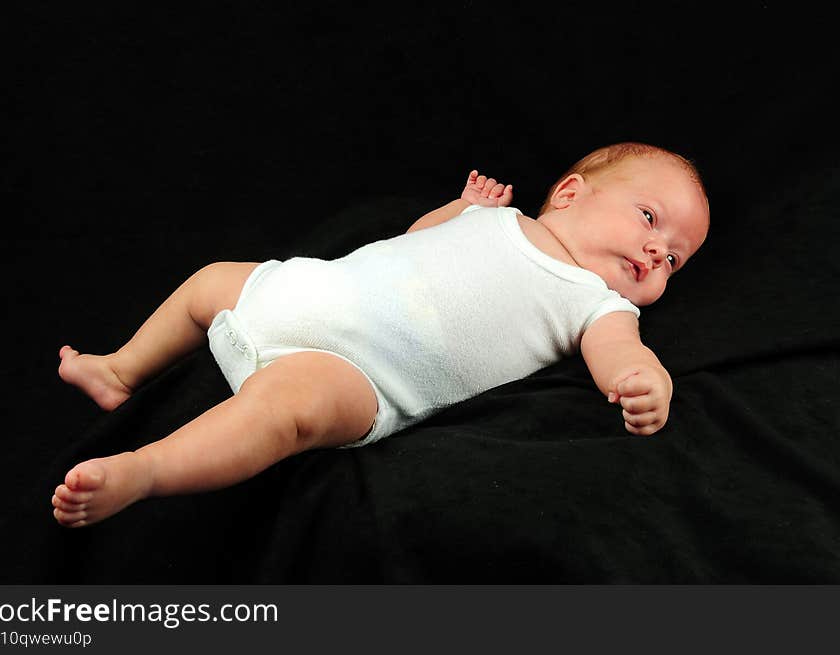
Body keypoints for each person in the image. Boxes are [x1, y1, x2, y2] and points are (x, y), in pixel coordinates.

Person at [53, 141, 710, 527]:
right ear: (569, 194)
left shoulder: (598, 301)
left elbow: (621, 351)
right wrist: (462, 207)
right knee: (212, 281)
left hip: (365, 373)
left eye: (675, 259)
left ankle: (146, 469)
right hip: (312, 290)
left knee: (282, 413)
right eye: (649, 218)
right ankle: (121, 369)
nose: (656, 252)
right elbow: (418, 240)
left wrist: (645, 378)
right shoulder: (498, 218)